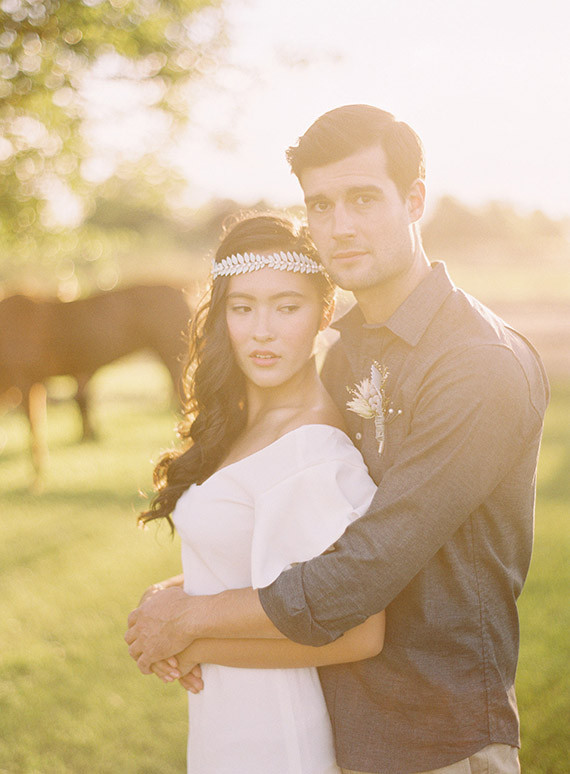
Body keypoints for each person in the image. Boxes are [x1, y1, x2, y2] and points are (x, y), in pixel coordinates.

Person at [126, 106, 550, 774]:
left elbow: (366, 565)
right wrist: (189, 590)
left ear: (414, 200)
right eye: (319, 205)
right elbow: (306, 535)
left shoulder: (477, 365)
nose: (339, 226)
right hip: (338, 721)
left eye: (362, 199)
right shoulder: (346, 353)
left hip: (436, 732)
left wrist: (192, 619)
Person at [132, 212, 385, 773]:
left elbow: (360, 633)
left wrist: (187, 638)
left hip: (275, 735)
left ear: (324, 314)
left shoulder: (317, 454)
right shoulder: (243, 424)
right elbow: (260, 569)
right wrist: (169, 596)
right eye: (242, 307)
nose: (262, 330)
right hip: (225, 720)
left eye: (286, 307)